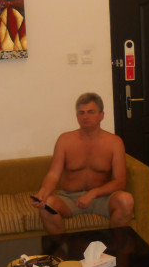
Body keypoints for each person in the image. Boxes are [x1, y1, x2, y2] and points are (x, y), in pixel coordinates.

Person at [30, 92, 135, 235]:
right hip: (69, 198)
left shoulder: (114, 142)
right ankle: (62, 248)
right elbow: (53, 175)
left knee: (126, 200)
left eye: (91, 112)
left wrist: (93, 193)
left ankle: (113, 245)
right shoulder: (65, 140)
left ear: (101, 115)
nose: (85, 116)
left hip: (102, 198)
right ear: (77, 116)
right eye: (81, 113)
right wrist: (43, 192)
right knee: (47, 206)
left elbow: (120, 181)